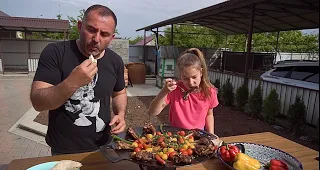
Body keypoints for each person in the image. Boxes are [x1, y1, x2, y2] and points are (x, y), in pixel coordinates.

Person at [30, 4, 127, 155]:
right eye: (91, 30)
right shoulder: (55, 53)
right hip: (64, 150)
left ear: (112, 38)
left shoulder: (115, 61)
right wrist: (73, 82)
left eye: (104, 34)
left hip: (104, 146)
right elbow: (38, 102)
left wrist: (120, 114)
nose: (96, 39)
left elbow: (119, 93)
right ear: (80, 26)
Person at [148, 48, 219, 134]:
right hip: (176, 134)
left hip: (199, 135)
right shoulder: (174, 89)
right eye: (185, 78)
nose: (191, 83)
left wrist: (212, 135)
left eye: (194, 77)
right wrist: (164, 92)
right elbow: (152, 112)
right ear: (180, 75)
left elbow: (209, 114)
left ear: (201, 72)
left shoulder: (210, 91)